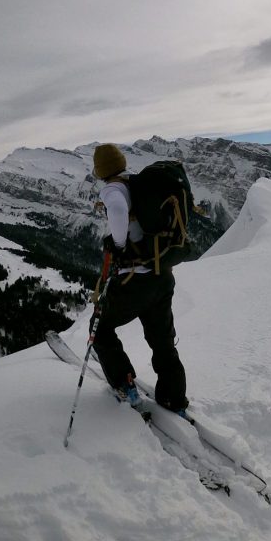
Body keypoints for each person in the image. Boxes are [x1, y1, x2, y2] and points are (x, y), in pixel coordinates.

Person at [91, 143, 188, 412]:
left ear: (100, 170)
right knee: (163, 343)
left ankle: (125, 385)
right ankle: (174, 399)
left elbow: (119, 212)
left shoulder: (113, 190)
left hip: (136, 280)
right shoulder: (138, 183)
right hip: (162, 276)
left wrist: (118, 244)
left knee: (99, 329)